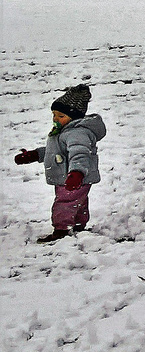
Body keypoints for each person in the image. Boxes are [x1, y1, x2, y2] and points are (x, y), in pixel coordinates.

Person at [14, 85, 105, 243]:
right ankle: (78, 224)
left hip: (75, 176)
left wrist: (76, 173)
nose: (56, 119)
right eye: (54, 115)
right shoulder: (63, 132)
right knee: (78, 201)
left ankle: (62, 229)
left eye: (61, 115)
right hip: (71, 176)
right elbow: (55, 151)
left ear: (74, 117)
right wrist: (35, 154)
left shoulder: (77, 133)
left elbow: (80, 154)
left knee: (65, 203)